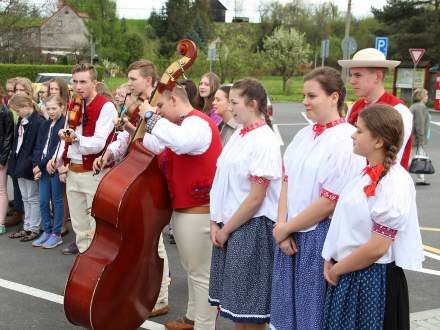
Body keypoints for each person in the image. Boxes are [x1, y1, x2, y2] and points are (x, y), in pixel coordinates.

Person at [270, 67, 365, 330]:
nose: (305, 101)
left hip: (317, 238)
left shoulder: (346, 140)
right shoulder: (304, 135)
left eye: (312, 96)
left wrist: (287, 228)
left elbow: (329, 201)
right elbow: (286, 181)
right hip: (289, 235)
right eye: (304, 95)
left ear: (334, 97)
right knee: (286, 316)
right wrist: (282, 226)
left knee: (312, 316)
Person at [321, 104, 424, 330]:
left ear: (378, 141)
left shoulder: (394, 182)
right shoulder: (366, 174)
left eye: (359, 131)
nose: (352, 135)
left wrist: (338, 268)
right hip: (352, 272)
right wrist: (332, 258)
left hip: (371, 280)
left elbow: (378, 247)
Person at [93, 60, 171, 318]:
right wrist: (116, 145)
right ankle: (142, 289)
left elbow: (159, 143)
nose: (130, 83)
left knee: (153, 239)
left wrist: (134, 125)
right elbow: (133, 138)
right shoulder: (141, 106)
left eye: (133, 79)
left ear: (148, 80)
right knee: (139, 237)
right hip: (138, 173)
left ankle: (160, 296)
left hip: (153, 176)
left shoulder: (159, 105)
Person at [141, 85, 222, 330]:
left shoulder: (197, 124)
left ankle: (203, 325)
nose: (159, 112)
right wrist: (140, 126)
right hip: (187, 210)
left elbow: (180, 142)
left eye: (161, 107)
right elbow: (157, 145)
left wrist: (149, 118)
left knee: (202, 276)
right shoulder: (182, 125)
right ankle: (192, 318)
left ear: (174, 100)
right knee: (193, 271)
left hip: (199, 211)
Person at [209, 78, 281, 329]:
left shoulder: (263, 139)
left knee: (252, 311)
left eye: (234, 102)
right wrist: (215, 222)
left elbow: (255, 198)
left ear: (252, 104)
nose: (230, 107)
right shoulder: (241, 132)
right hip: (231, 225)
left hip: (251, 229)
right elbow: (222, 182)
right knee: (239, 310)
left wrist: (226, 228)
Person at [49, 63, 117, 255]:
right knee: (80, 228)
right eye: (75, 82)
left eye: (83, 82)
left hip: (93, 174)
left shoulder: (106, 106)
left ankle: (99, 266)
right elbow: (67, 136)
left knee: (96, 226)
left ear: (94, 82)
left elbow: (97, 144)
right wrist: (59, 158)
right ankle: (85, 264)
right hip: (73, 172)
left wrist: (75, 138)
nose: (78, 87)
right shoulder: (74, 103)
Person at [338, 48, 413, 168]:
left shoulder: (398, 110)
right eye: (352, 75)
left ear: (377, 77)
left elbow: (393, 157)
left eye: (358, 75)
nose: (352, 81)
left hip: (381, 182)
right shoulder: (354, 107)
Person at [7, 94, 44, 242]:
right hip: (19, 163)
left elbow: (36, 146)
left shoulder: (38, 122)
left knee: (33, 197)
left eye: (18, 110)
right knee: (25, 198)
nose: (17, 114)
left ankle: (34, 228)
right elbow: (18, 142)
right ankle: (27, 225)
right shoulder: (23, 121)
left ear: (25, 106)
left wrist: (31, 163)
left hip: (29, 165)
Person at [31, 95, 66, 248]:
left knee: (57, 201)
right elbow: (39, 146)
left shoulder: (64, 124)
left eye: (54, 108)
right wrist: (37, 165)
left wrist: (42, 164)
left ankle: (56, 233)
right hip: (43, 168)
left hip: (55, 167)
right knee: (44, 200)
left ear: (62, 107)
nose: (51, 111)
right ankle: (46, 230)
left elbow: (56, 148)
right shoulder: (45, 125)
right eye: (48, 108)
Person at [409, 88, 431, 185]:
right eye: (426, 95)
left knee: (418, 157)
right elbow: (419, 124)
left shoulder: (415, 106)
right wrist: (421, 139)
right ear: (421, 97)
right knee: (417, 158)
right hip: (416, 137)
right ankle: (419, 178)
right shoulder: (420, 107)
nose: (427, 97)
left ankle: (421, 177)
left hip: (413, 136)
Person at [0, 89, 14, 234]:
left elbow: (8, 138)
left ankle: (1, 223)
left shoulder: (5, 112)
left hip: (0, 156)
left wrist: (2, 159)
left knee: (1, 189)